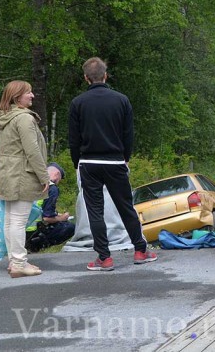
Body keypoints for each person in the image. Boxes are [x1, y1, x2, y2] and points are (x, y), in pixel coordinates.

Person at [68, 57, 156, 271]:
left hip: (89, 162)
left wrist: (76, 162)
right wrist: (126, 157)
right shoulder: (121, 100)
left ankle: (104, 257)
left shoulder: (78, 103)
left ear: (86, 78)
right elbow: (128, 134)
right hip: (115, 161)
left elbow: (74, 138)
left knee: (95, 211)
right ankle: (140, 250)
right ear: (105, 75)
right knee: (126, 207)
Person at [0, 80, 49, 278]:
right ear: (17, 97)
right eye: (29, 93)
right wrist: (45, 177)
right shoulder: (24, 119)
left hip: (5, 173)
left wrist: (3, 167)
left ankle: (14, 260)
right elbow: (32, 151)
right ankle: (18, 263)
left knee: (10, 220)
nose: (32, 96)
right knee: (17, 220)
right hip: (21, 176)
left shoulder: (2, 118)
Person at [25, 163, 75, 252]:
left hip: (18, 227)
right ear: (57, 174)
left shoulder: (30, 181)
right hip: (32, 231)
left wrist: (57, 214)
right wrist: (62, 218)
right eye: (60, 179)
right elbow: (47, 218)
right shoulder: (52, 188)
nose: (58, 181)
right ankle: (34, 246)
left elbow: (38, 208)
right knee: (69, 227)